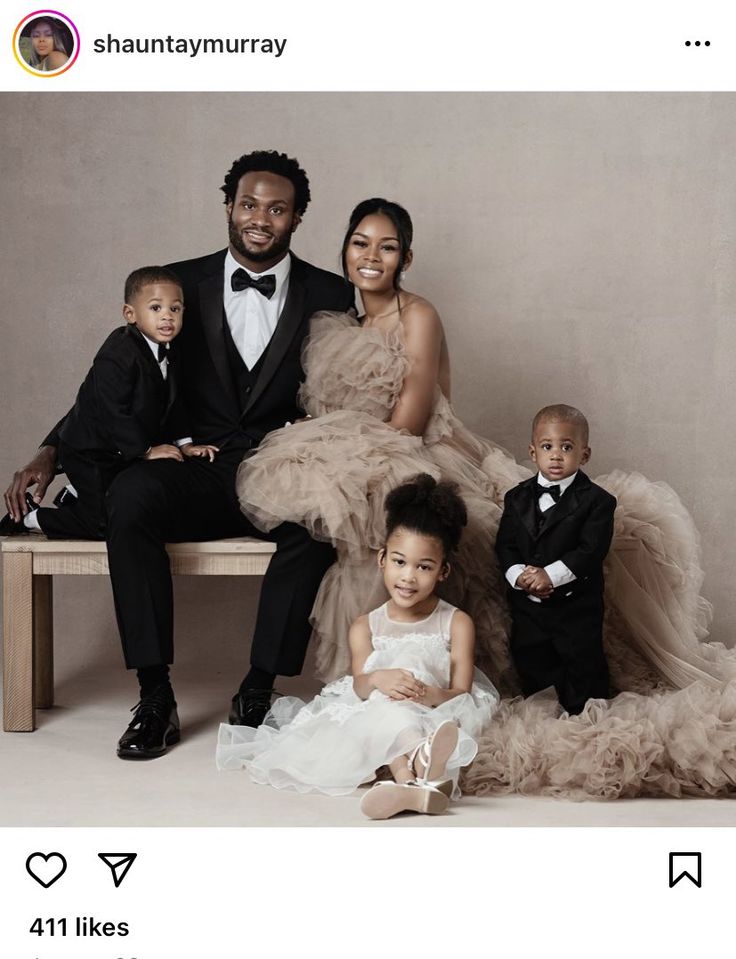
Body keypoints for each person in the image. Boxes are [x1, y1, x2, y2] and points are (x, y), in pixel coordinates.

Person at [235, 196, 736, 799]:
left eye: (387, 246)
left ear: (406, 257)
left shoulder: (418, 314)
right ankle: (378, 708)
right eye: (361, 243)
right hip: (361, 459)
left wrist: (340, 456)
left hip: (417, 450)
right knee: (355, 540)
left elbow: (412, 420)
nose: (372, 256)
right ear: (343, 249)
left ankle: (440, 702)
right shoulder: (336, 324)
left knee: (425, 530)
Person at [3, 150, 353, 760]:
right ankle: (155, 694)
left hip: (280, 471)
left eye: (277, 208)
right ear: (228, 207)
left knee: (322, 523)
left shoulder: (333, 293)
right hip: (195, 469)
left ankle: (258, 688)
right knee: (131, 495)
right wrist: (51, 449)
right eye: (248, 204)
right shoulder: (175, 285)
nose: (260, 219)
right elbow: (117, 383)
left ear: (297, 218)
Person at [217, 474, 499, 820]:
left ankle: (407, 780)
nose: (408, 577)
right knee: (379, 705)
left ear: (443, 571)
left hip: (435, 712)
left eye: (424, 567)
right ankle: (415, 773)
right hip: (378, 707)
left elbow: (461, 692)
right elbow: (361, 685)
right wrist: (380, 679)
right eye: (399, 562)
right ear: (382, 558)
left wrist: (426, 694)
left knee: (397, 692)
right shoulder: (366, 625)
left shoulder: (456, 622)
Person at [0, 266, 216, 540]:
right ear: (130, 314)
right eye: (155, 308)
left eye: (175, 309)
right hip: (89, 449)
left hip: (118, 453)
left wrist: (186, 445)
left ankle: (75, 497)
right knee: (111, 522)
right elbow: (113, 411)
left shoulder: (169, 352)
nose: (166, 316)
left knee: (132, 507)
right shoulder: (118, 352)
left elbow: (173, 404)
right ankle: (31, 518)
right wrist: (146, 450)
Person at [495, 404, 616, 714]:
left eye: (567, 447)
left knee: (581, 661)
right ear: (533, 452)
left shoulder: (598, 502)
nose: (556, 455)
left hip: (576, 607)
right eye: (547, 447)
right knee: (532, 657)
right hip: (528, 609)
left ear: (584, 455)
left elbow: (590, 550)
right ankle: (543, 713)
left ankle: (584, 714)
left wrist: (550, 575)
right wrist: (519, 575)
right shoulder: (516, 497)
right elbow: (505, 545)